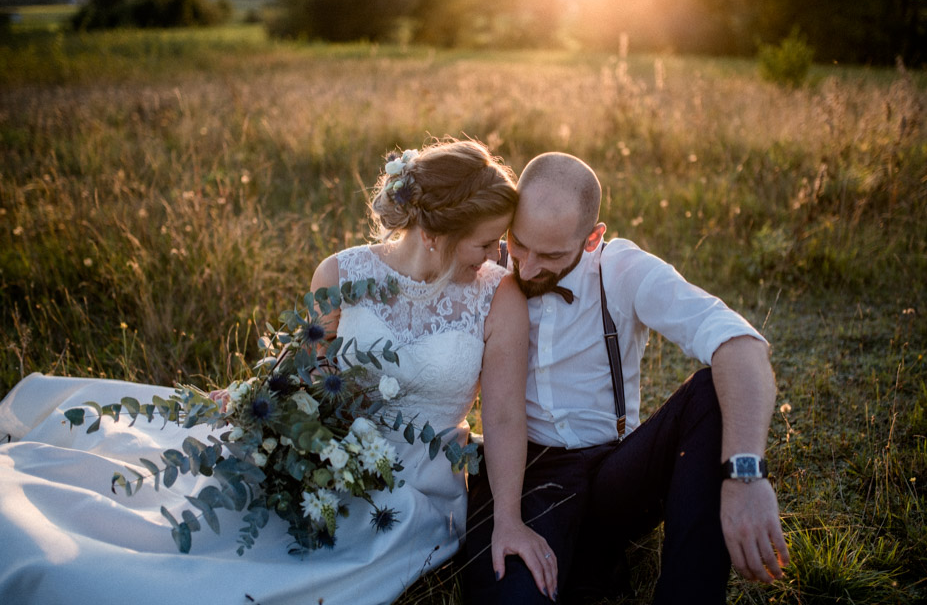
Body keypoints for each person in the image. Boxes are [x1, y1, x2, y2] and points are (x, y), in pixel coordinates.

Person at [0, 139, 556, 605]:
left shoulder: (494, 295)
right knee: (201, 526)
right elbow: (304, 374)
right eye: (485, 242)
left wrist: (508, 519)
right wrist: (261, 408)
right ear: (435, 231)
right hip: (320, 450)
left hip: (416, 484)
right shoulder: (342, 271)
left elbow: (505, 414)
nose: (493, 256)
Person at [464, 152, 790, 604]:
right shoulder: (483, 270)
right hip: (521, 473)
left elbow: (740, 343)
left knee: (712, 393)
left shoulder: (620, 270)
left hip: (610, 473)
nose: (530, 268)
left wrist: (745, 475)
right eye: (519, 244)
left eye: (553, 254)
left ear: (594, 238)